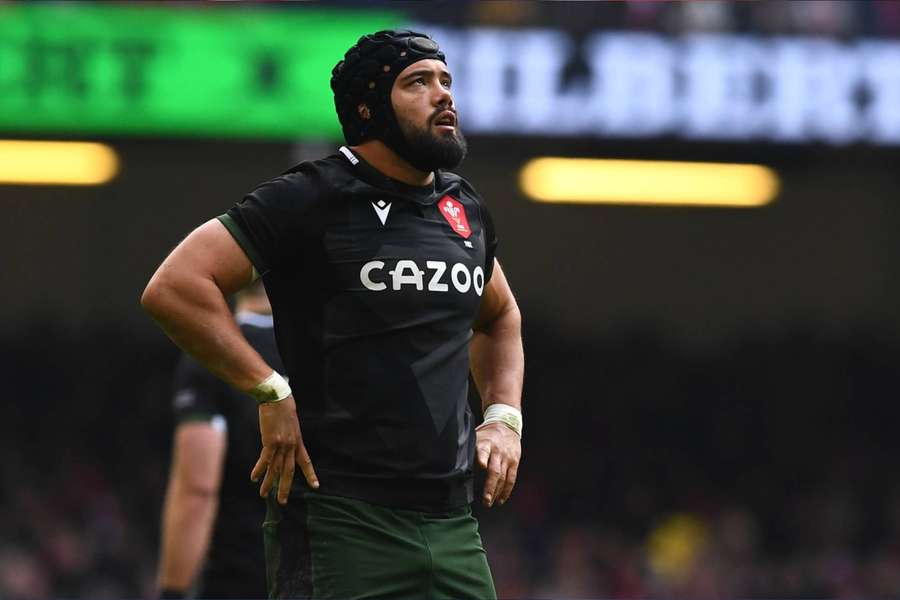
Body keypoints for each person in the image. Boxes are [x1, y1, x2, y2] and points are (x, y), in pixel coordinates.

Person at [142, 29, 524, 600]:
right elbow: (174, 286)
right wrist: (270, 391)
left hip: (453, 526)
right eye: (418, 82)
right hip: (341, 522)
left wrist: (503, 416)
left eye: (446, 81)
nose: (443, 95)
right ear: (368, 108)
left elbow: (499, 318)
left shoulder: (461, 207)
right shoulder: (311, 197)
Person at [157, 281, 281, 599]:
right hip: (324, 573)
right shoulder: (324, 351)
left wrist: (172, 591)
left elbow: (198, 490)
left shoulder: (211, 354)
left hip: (241, 575)